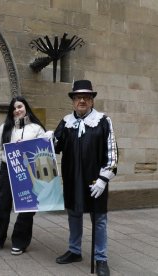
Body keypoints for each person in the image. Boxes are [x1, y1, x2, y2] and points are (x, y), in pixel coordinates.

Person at [54, 80, 118, 276]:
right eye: (78, 97)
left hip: (94, 180)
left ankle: (101, 258)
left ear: (91, 101)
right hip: (73, 178)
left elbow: (112, 153)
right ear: (73, 101)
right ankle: (74, 251)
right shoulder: (66, 122)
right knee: (73, 214)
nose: (82, 100)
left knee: (99, 219)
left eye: (86, 97)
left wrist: (103, 179)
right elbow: (56, 148)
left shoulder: (103, 121)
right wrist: (51, 138)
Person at [0, 96, 52, 255]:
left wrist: (48, 137)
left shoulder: (36, 128)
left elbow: (43, 149)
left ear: (26, 108)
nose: (17, 110)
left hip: (28, 171)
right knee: (1, 206)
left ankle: (19, 241)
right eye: (14, 108)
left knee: (26, 208)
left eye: (20, 107)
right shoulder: (5, 127)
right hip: (7, 169)